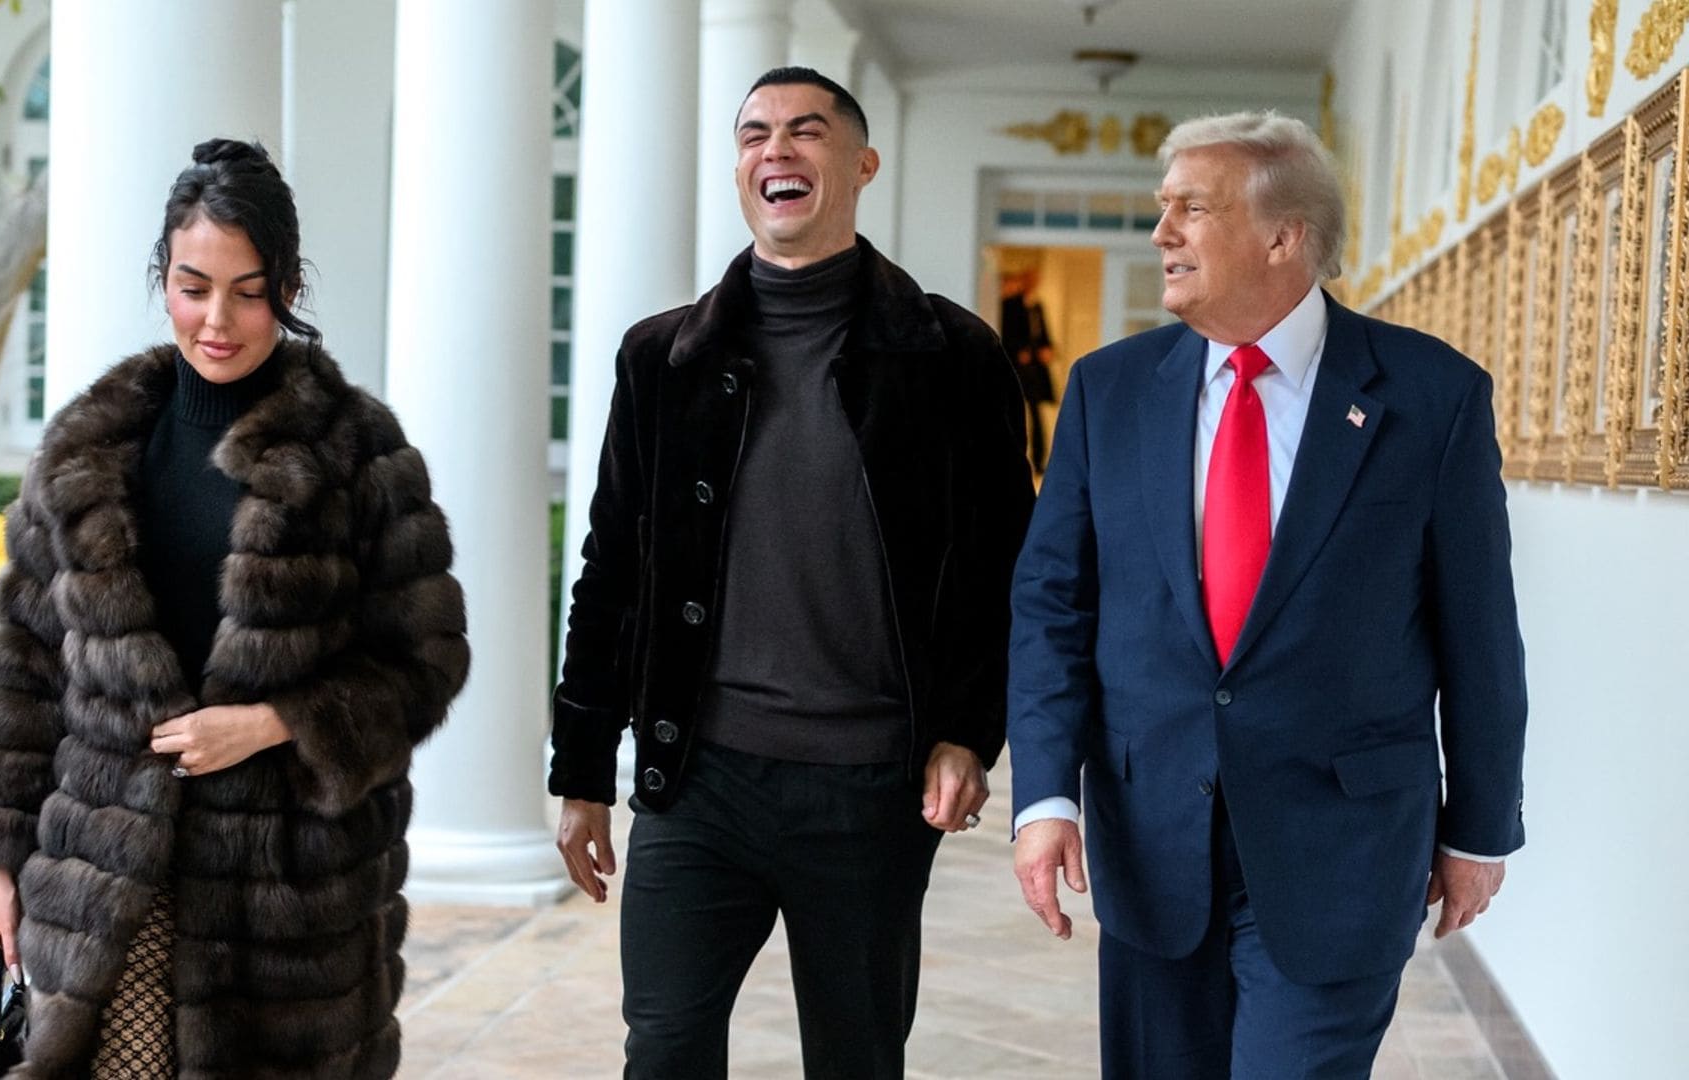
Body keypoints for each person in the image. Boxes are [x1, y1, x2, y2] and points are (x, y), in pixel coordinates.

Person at [1007, 112, 1528, 1078]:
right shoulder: (1108, 391)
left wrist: (1480, 826)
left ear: (1283, 237)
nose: (1160, 232)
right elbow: (1052, 604)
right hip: (1152, 835)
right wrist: (1043, 794)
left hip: (1344, 850)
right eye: (1163, 207)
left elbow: (1480, 632)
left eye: (1190, 209)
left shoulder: (1432, 396)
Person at [549, 67, 1035, 1078]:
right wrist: (582, 769)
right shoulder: (662, 360)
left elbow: (1000, 568)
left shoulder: (952, 356)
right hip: (698, 780)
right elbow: (612, 572)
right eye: (755, 134)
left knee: (856, 1059)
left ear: (861, 165)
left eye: (807, 131)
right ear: (740, 169)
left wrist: (966, 731)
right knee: (663, 1052)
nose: (777, 148)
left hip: (869, 789)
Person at [0, 138, 469, 1079]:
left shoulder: (357, 451)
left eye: (249, 291)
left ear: (289, 286)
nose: (218, 319)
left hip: (290, 907)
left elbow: (427, 662)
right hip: (111, 878)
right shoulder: (86, 449)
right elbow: (23, 671)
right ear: (164, 277)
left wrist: (277, 722)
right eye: (194, 287)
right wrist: (0, 866)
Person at [999, 268, 1057, 474]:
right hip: (1017, 368)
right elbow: (1006, 334)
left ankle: (1039, 460)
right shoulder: (1010, 305)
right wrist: (1018, 352)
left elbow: (1044, 334)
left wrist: (1047, 349)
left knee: (1036, 414)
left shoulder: (1037, 307)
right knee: (1014, 412)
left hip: (1035, 369)